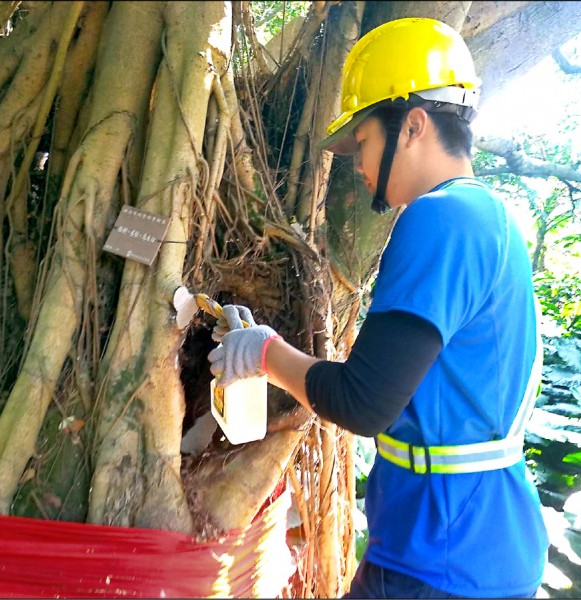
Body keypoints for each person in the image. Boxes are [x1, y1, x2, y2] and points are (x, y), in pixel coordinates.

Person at [207, 17, 550, 599]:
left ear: (412, 125)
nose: (357, 164)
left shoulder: (441, 219)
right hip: (471, 545)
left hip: (441, 560)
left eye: (362, 141)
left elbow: (363, 402)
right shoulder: (491, 218)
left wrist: (264, 352)